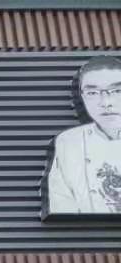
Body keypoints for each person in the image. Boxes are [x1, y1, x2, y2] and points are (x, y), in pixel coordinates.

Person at [44, 55, 121, 215]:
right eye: (92, 92)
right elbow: (61, 208)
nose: (105, 102)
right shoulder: (68, 142)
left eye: (116, 91)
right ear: (82, 96)